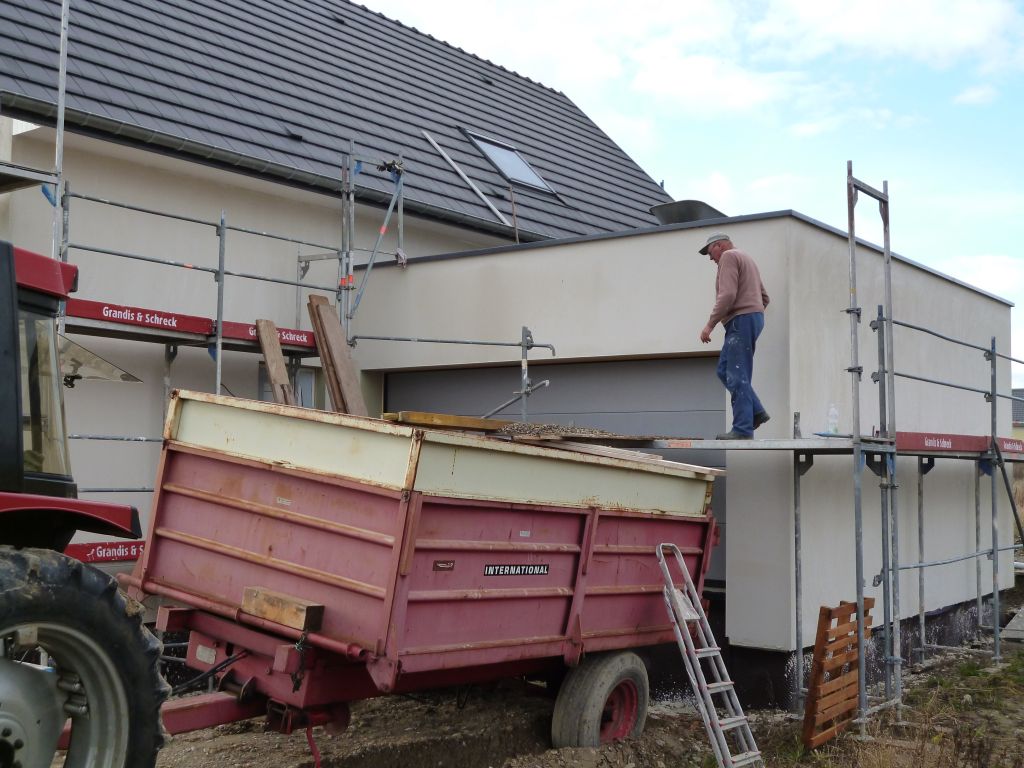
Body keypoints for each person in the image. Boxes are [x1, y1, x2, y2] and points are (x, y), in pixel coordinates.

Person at [697, 233, 770, 440]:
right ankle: (756, 411)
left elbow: (727, 295)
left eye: (710, 253)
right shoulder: (747, 258)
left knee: (737, 373)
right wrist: (753, 311)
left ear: (719, 246)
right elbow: (764, 297)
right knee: (724, 370)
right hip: (750, 319)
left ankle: (743, 429)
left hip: (741, 321)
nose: (711, 259)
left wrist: (710, 325)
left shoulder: (728, 257)